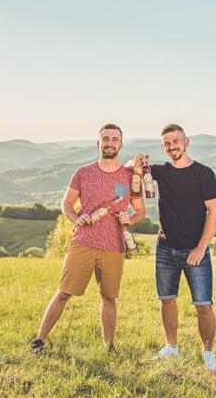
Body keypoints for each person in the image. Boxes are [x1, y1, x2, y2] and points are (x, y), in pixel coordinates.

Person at [31, 124, 146, 353]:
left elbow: (140, 212)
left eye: (115, 139)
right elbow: (66, 204)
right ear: (98, 143)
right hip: (83, 243)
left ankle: (109, 347)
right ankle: (39, 340)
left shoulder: (129, 177)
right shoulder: (83, 173)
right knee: (64, 292)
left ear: (121, 145)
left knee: (109, 297)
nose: (110, 143)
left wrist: (130, 219)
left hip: (114, 246)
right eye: (106, 138)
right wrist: (76, 218)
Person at [134, 123, 216, 372]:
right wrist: (137, 161)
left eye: (176, 141)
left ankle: (207, 353)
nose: (172, 147)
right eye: (167, 144)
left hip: (196, 250)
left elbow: (214, 211)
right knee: (167, 300)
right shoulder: (161, 172)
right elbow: (135, 170)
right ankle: (171, 348)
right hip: (165, 248)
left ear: (186, 142)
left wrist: (200, 248)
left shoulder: (204, 173)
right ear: (163, 148)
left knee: (203, 305)